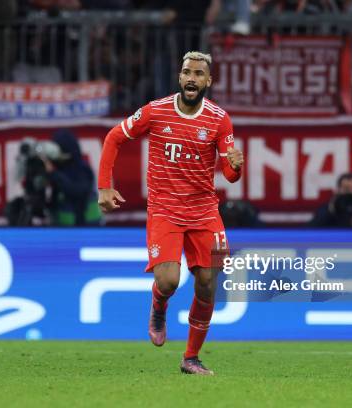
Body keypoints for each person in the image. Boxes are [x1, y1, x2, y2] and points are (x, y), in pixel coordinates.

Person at [98, 51, 244, 375]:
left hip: (206, 211)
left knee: (208, 283)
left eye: (198, 74)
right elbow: (113, 138)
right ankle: (158, 305)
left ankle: (190, 358)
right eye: (187, 72)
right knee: (168, 280)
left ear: (209, 81)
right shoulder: (156, 111)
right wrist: (104, 187)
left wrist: (235, 168)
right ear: (180, 77)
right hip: (164, 209)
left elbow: (229, 173)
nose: (192, 78)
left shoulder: (220, 119)